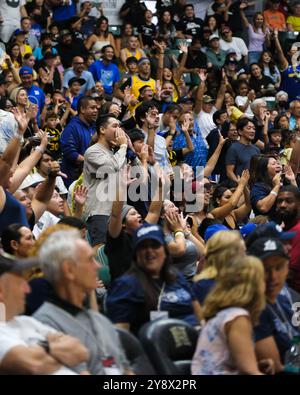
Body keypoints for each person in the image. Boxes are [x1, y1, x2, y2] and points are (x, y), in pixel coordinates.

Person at [33, 229, 132, 375]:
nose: (98, 266)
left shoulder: (100, 320)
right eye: (89, 259)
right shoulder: (45, 325)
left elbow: (125, 370)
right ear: (69, 270)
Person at [0, 252, 90, 375]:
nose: (28, 289)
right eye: (21, 283)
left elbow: (81, 351)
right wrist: (52, 347)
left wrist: (41, 351)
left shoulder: (27, 322)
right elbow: (33, 365)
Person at [106, 223, 201, 335]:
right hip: (155, 347)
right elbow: (120, 336)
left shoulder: (176, 276)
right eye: (143, 246)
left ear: (165, 251)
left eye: (155, 245)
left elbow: (200, 317)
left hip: (194, 340)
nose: (149, 251)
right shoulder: (125, 286)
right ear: (136, 253)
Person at [191, 255, 272, 375]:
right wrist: (253, 368)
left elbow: (235, 364)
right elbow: (250, 372)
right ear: (254, 285)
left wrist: (256, 365)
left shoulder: (226, 313)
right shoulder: (238, 318)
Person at [248, 237, 300, 372]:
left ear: (287, 268)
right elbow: (276, 368)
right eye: (265, 269)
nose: (273, 276)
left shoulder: (283, 299)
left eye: (279, 267)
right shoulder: (253, 308)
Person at [83, 114, 128, 248]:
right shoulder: (92, 151)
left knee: (116, 255)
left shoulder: (116, 153)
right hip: (100, 212)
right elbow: (111, 167)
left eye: (120, 126)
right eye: (115, 126)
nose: (119, 130)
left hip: (118, 212)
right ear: (102, 130)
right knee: (101, 252)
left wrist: (128, 148)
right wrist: (123, 147)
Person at [193, 230, 247, 305]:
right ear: (227, 256)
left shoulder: (240, 278)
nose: (245, 257)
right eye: (242, 253)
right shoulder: (205, 286)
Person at [60, 96, 98, 187]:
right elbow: (70, 153)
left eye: (96, 108)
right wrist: (92, 163)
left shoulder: (93, 127)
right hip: (74, 181)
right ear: (82, 109)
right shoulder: (71, 128)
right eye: (92, 108)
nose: (96, 110)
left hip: (90, 179)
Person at [275, 185, 300, 293]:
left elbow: (289, 272)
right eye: (280, 201)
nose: (283, 205)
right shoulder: (283, 229)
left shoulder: (298, 231)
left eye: (289, 201)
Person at [226, 117, 261, 182]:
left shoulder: (256, 149)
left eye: (254, 128)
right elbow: (229, 172)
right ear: (240, 131)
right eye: (249, 128)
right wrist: (240, 184)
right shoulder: (233, 148)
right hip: (239, 186)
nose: (252, 131)